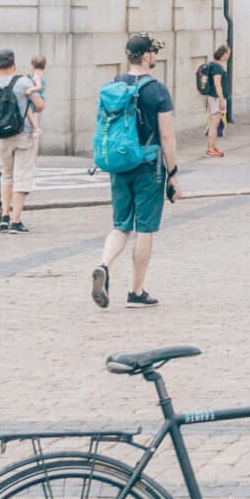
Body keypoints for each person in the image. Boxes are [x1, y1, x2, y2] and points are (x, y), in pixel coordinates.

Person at [91, 34, 180, 308]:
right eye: (152, 52)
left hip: (118, 164)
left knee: (120, 226)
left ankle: (104, 266)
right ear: (145, 56)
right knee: (144, 229)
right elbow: (167, 137)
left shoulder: (113, 86)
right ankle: (136, 291)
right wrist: (173, 173)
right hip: (147, 166)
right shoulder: (157, 90)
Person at [0, 49, 43, 233]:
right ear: (14, 64)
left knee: (7, 176)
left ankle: (4, 216)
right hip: (23, 135)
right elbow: (40, 106)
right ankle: (16, 221)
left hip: (1, 138)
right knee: (22, 178)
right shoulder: (23, 82)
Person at [198, 44, 229, 157]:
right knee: (214, 124)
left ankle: (213, 147)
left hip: (213, 97)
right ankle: (210, 149)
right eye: (228, 54)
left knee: (214, 123)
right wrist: (221, 100)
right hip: (216, 97)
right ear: (224, 54)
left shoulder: (213, 65)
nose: (228, 56)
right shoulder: (217, 67)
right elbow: (217, 83)